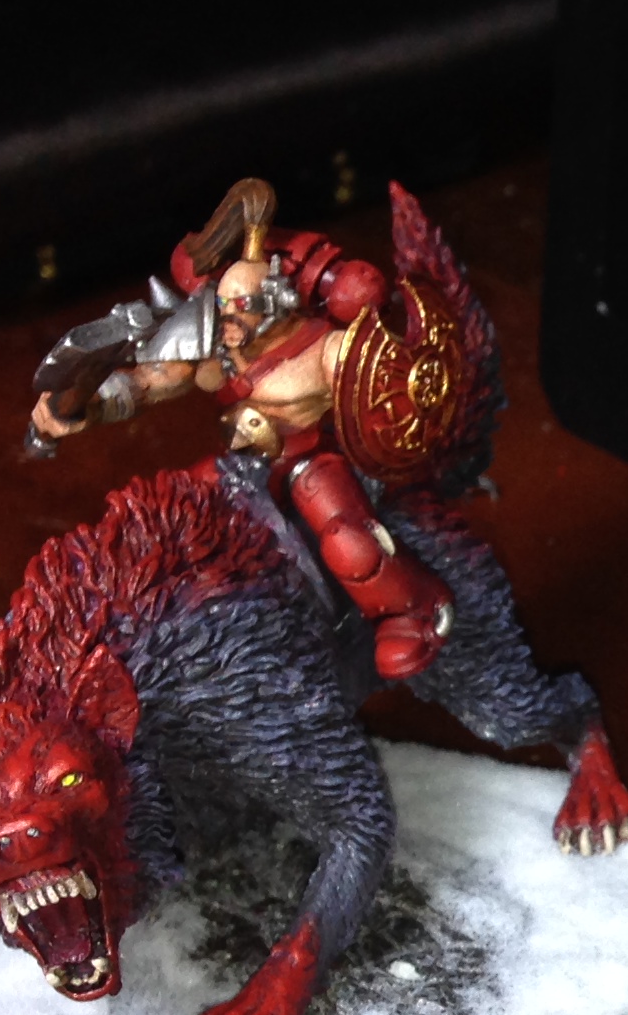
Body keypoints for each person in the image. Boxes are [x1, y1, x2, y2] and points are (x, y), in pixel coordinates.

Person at [28, 178, 458, 678]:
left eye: (243, 309)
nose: (229, 322)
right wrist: (90, 405)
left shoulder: (326, 350)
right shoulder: (218, 340)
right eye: (225, 307)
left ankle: (414, 612)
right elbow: (150, 382)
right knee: (173, 515)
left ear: (277, 302)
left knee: (348, 543)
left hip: (307, 459)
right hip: (242, 462)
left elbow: (387, 386)